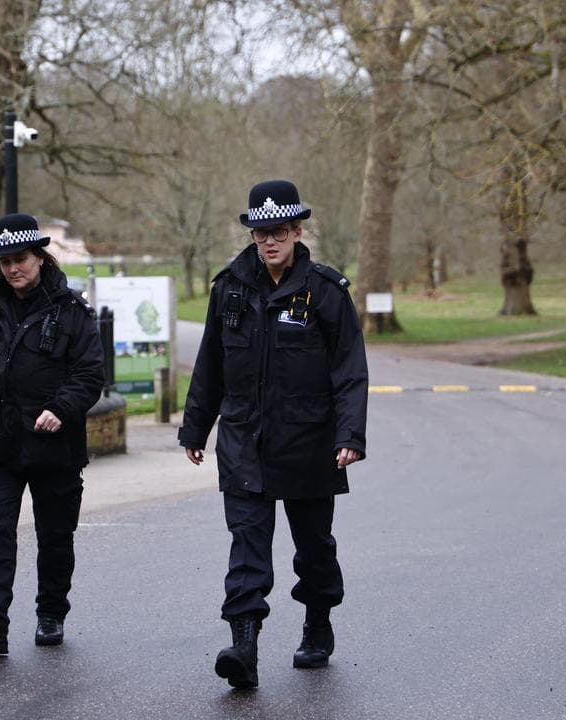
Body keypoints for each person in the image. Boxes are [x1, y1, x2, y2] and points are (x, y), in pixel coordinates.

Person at [178, 179, 368, 689]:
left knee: (314, 548)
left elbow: (349, 371)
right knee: (247, 546)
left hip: (309, 443)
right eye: (261, 232)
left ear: (297, 230)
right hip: (244, 442)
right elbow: (210, 366)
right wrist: (196, 427)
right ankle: (244, 646)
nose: (269, 241)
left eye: (278, 231)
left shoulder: (325, 292)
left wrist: (349, 435)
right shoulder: (229, 288)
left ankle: (317, 622)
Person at [0, 213, 105, 655]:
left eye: (20, 259)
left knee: (55, 536)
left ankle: (51, 612)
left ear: (39, 257)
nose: (13, 268)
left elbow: (90, 375)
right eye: (4, 261)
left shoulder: (71, 311)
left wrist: (61, 408)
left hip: (54, 444)